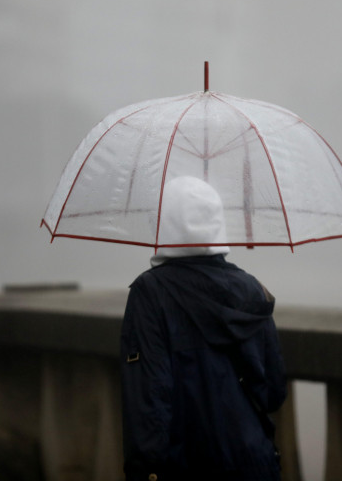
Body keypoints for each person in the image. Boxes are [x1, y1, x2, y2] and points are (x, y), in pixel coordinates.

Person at [120, 176, 287, 481]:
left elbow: (149, 398)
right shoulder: (252, 289)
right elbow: (273, 393)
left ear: (164, 224)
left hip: (186, 467)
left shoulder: (150, 292)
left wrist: (143, 471)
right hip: (255, 464)